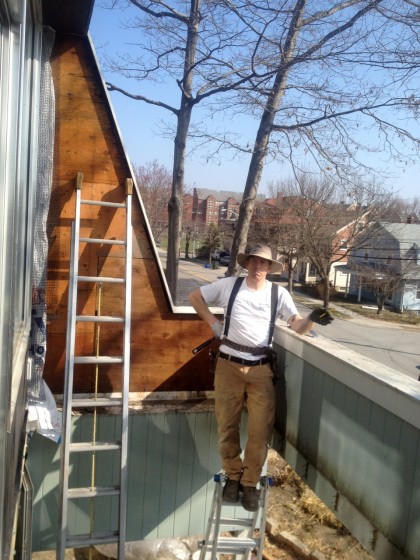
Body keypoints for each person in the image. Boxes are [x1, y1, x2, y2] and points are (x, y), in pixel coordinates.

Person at [188, 244, 333, 511]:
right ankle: (232, 477)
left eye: (263, 263)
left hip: (261, 370)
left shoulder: (279, 294)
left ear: (269, 268)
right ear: (248, 264)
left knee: (260, 431)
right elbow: (195, 296)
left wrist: (312, 318)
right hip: (228, 366)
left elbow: (298, 327)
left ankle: (249, 483)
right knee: (227, 426)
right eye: (254, 261)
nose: (258, 267)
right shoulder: (229, 286)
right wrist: (213, 323)